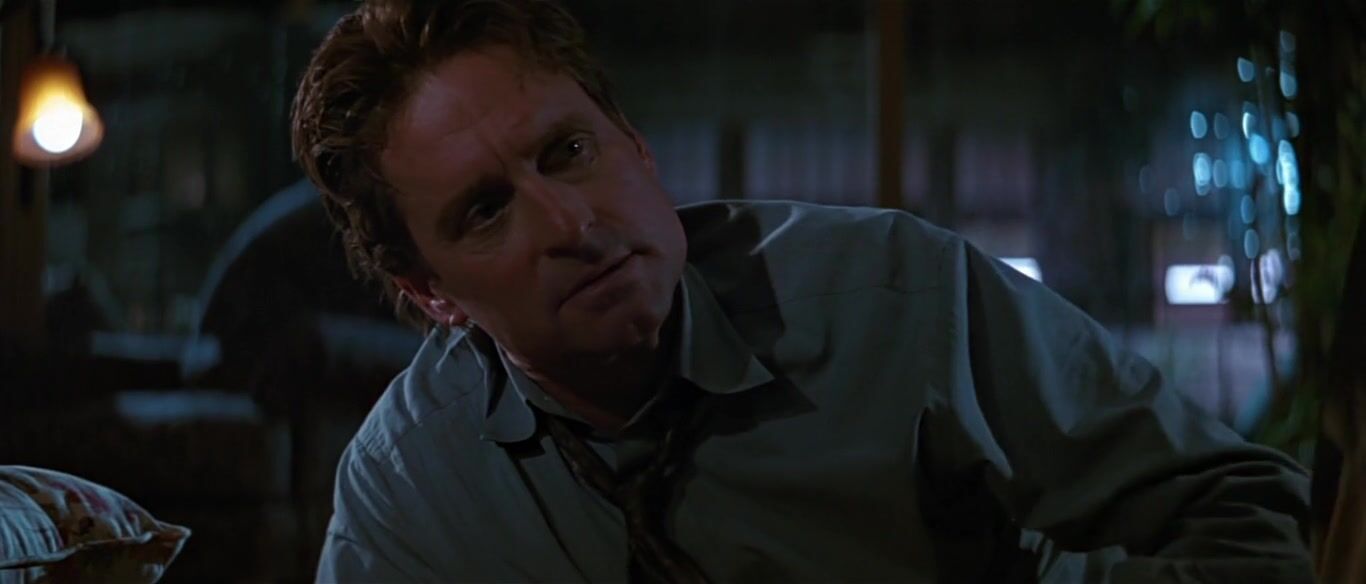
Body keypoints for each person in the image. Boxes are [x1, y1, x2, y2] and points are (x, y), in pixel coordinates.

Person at [290, 1, 1314, 581]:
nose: (569, 223)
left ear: (636, 147)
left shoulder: (894, 301)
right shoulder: (412, 492)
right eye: (485, 210)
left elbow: (1243, 520)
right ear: (431, 293)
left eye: (568, 151)